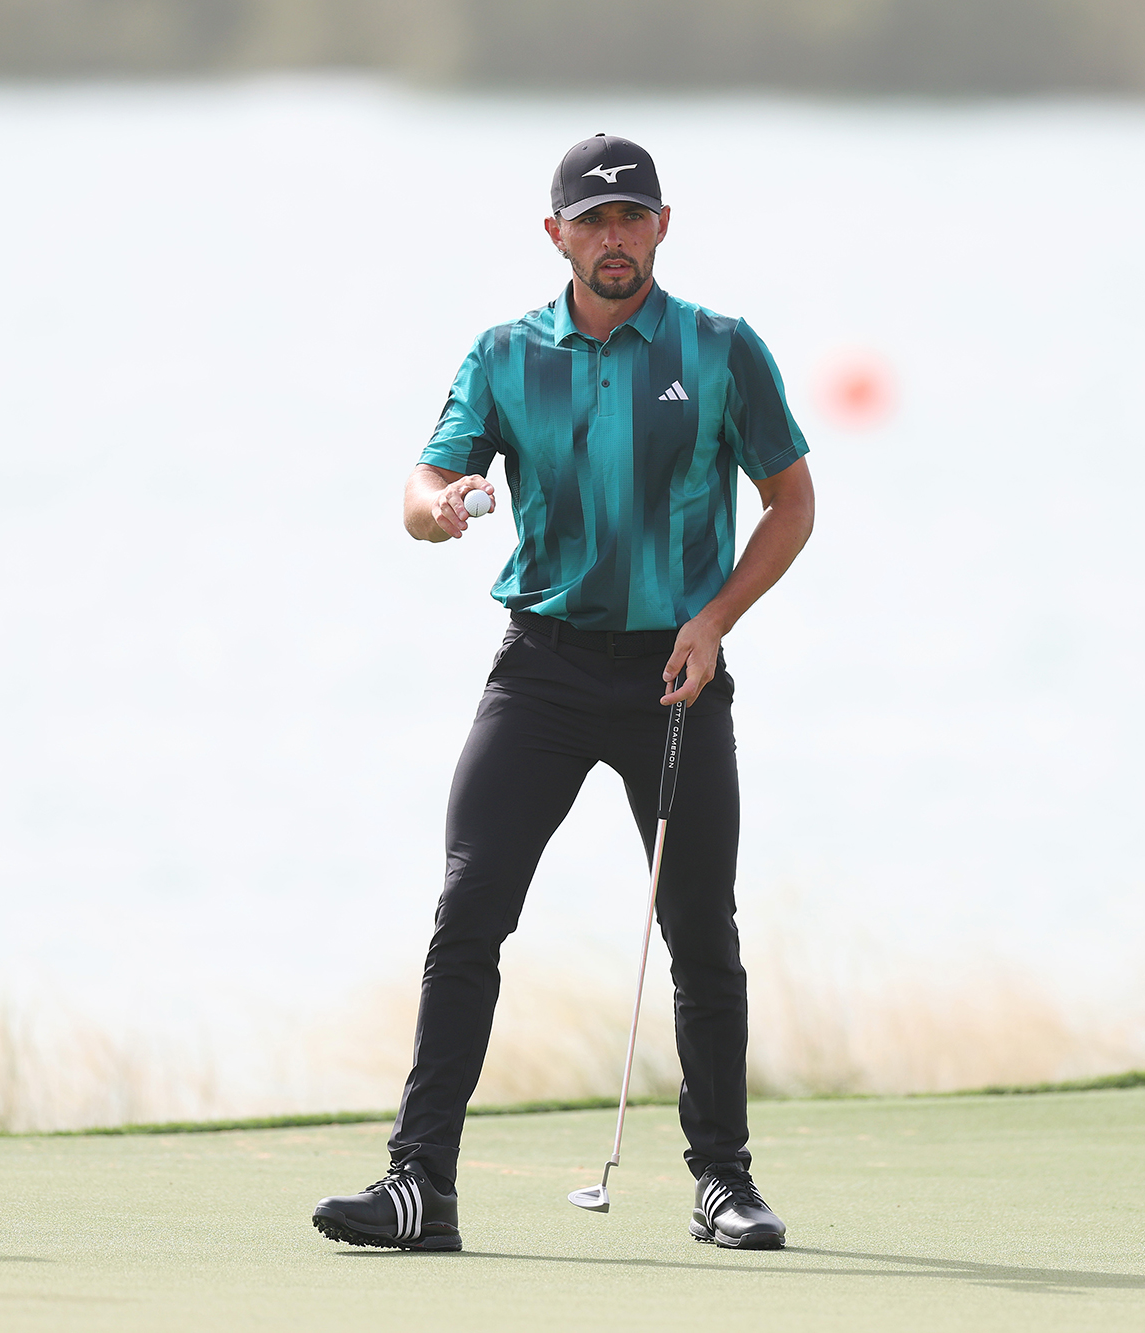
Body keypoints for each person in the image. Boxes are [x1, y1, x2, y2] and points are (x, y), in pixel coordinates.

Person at [311, 133, 815, 1253]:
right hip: (539, 668)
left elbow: (789, 502)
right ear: (556, 236)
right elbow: (420, 480)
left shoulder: (721, 350)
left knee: (700, 932)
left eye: (631, 217)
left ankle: (722, 1180)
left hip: (673, 677)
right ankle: (416, 1186)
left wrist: (714, 619)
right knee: (469, 911)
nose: (612, 237)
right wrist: (436, 508)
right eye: (590, 221)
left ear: (661, 226)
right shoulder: (504, 355)